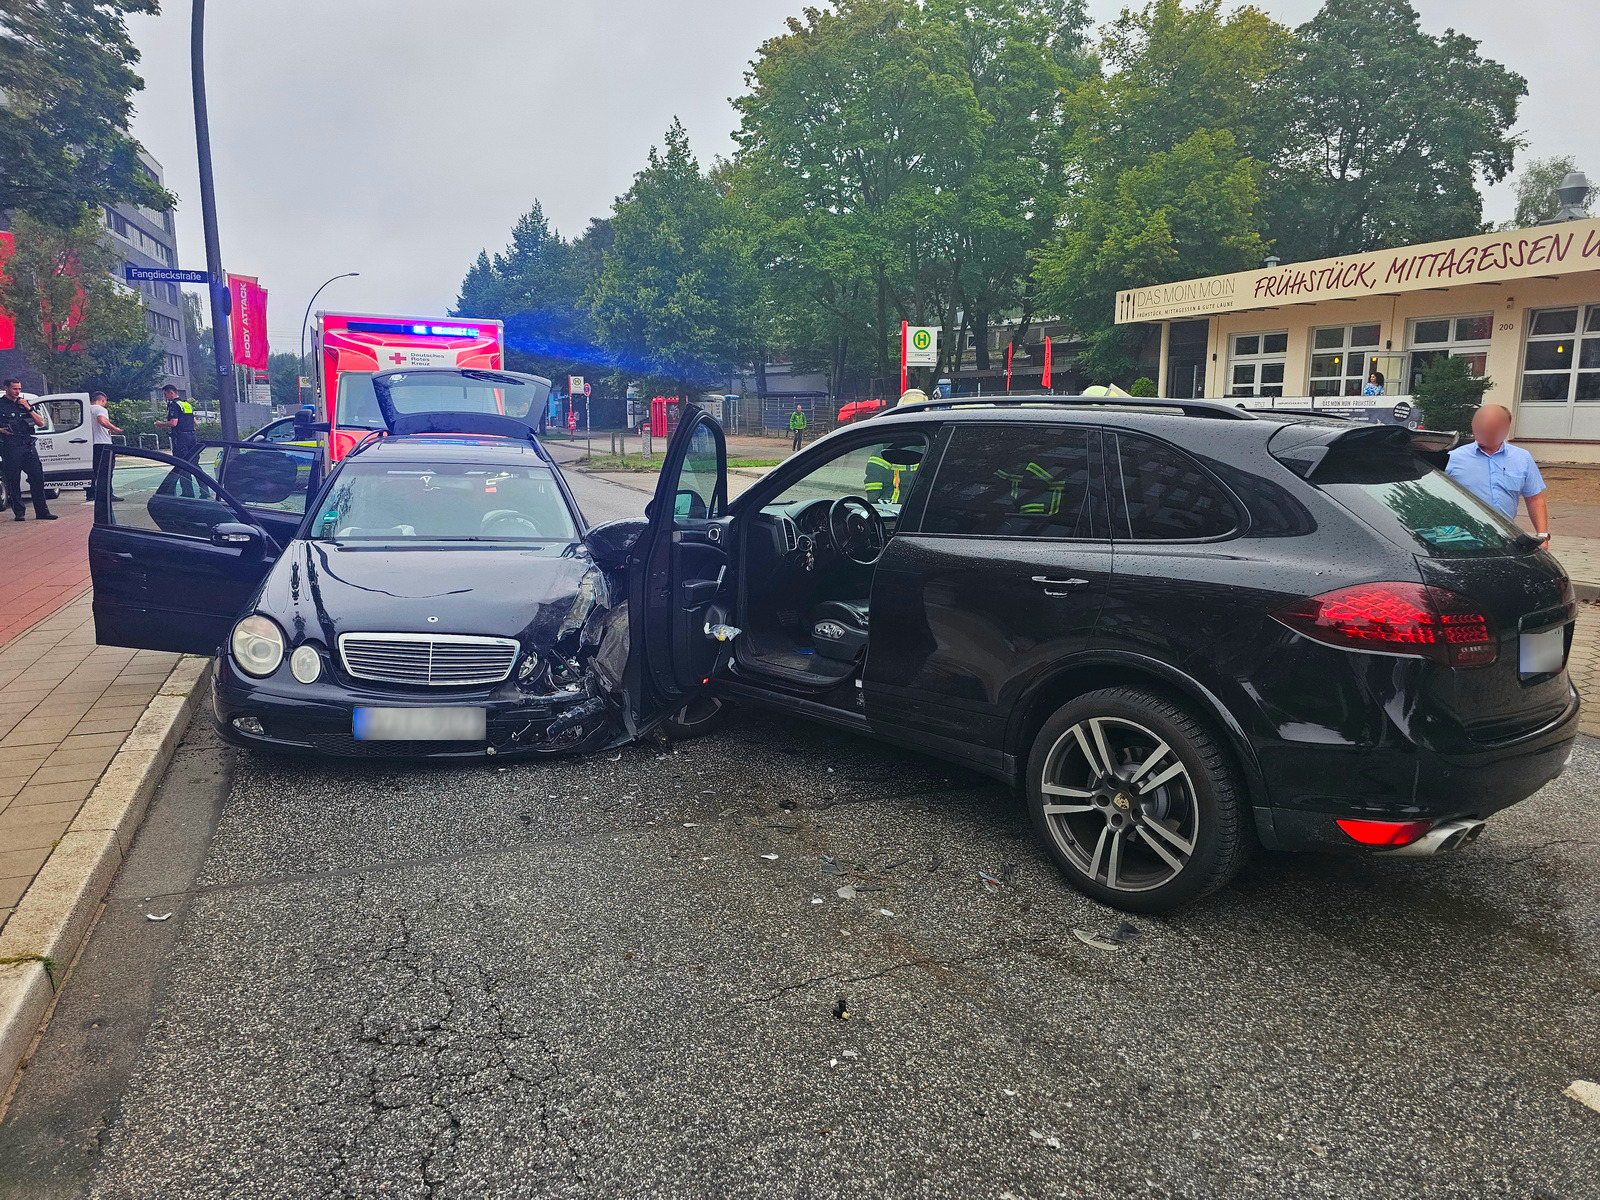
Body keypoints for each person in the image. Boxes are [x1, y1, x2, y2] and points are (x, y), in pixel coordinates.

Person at [1445, 404, 1551, 544]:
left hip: (1505, 536)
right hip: (1462, 537)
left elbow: (1534, 498)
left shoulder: (1522, 458)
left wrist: (1543, 536)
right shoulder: (1452, 458)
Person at [0, 378, 56, 521]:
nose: (17, 392)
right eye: (14, 389)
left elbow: (41, 422)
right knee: (14, 480)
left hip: (28, 445)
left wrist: (28, 408)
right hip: (10, 446)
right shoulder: (1, 404)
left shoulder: (24, 403)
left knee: (37, 478)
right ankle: (19, 513)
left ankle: (42, 512)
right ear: (6, 388)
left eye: (19, 389)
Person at [84, 390, 123, 502]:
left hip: (91, 444)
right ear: (102, 400)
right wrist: (114, 428)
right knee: (107, 471)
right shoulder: (100, 409)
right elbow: (102, 421)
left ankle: (91, 493)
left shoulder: (86, 410)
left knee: (94, 470)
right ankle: (108, 494)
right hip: (103, 443)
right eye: (105, 401)